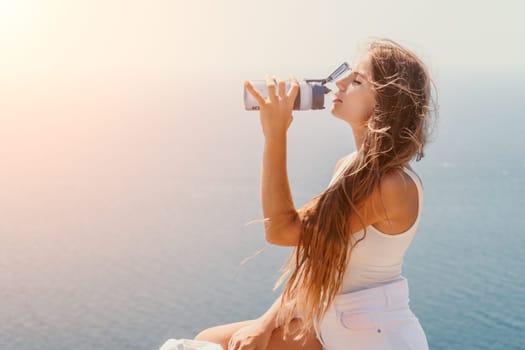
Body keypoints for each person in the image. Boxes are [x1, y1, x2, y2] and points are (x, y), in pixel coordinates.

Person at [193, 37, 438, 350]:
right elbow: (315, 261)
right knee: (208, 341)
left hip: (377, 337)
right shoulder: (349, 167)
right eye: (348, 72)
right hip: (337, 324)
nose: (341, 81)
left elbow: (282, 229)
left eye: (358, 80)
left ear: (386, 104)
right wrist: (264, 324)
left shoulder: (392, 186)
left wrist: (275, 136)